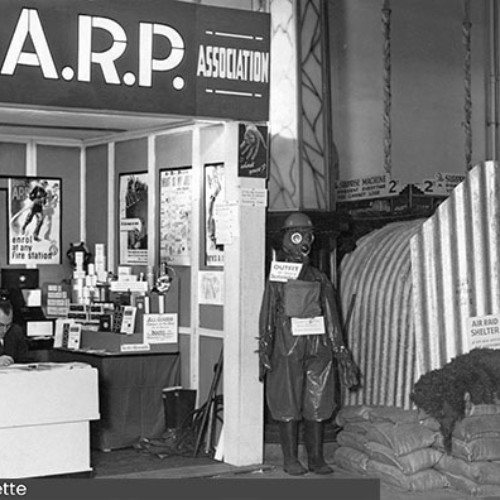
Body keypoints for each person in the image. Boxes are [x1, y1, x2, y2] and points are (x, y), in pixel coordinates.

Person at [258, 212, 359, 476]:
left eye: (308, 235)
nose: (304, 241)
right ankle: (290, 458)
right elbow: (267, 314)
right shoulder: (278, 278)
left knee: (318, 401)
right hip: (287, 346)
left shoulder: (319, 277)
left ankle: (316, 458)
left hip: (318, 346)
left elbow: (332, 316)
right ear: (287, 239)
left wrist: (341, 352)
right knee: (287, 402)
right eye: (298, 235)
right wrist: (266, 348)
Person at [0, 299, 29, 366]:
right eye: (0, 325)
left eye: (8, 325)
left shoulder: (16, 332)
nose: (4, 330)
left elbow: (24, 361)